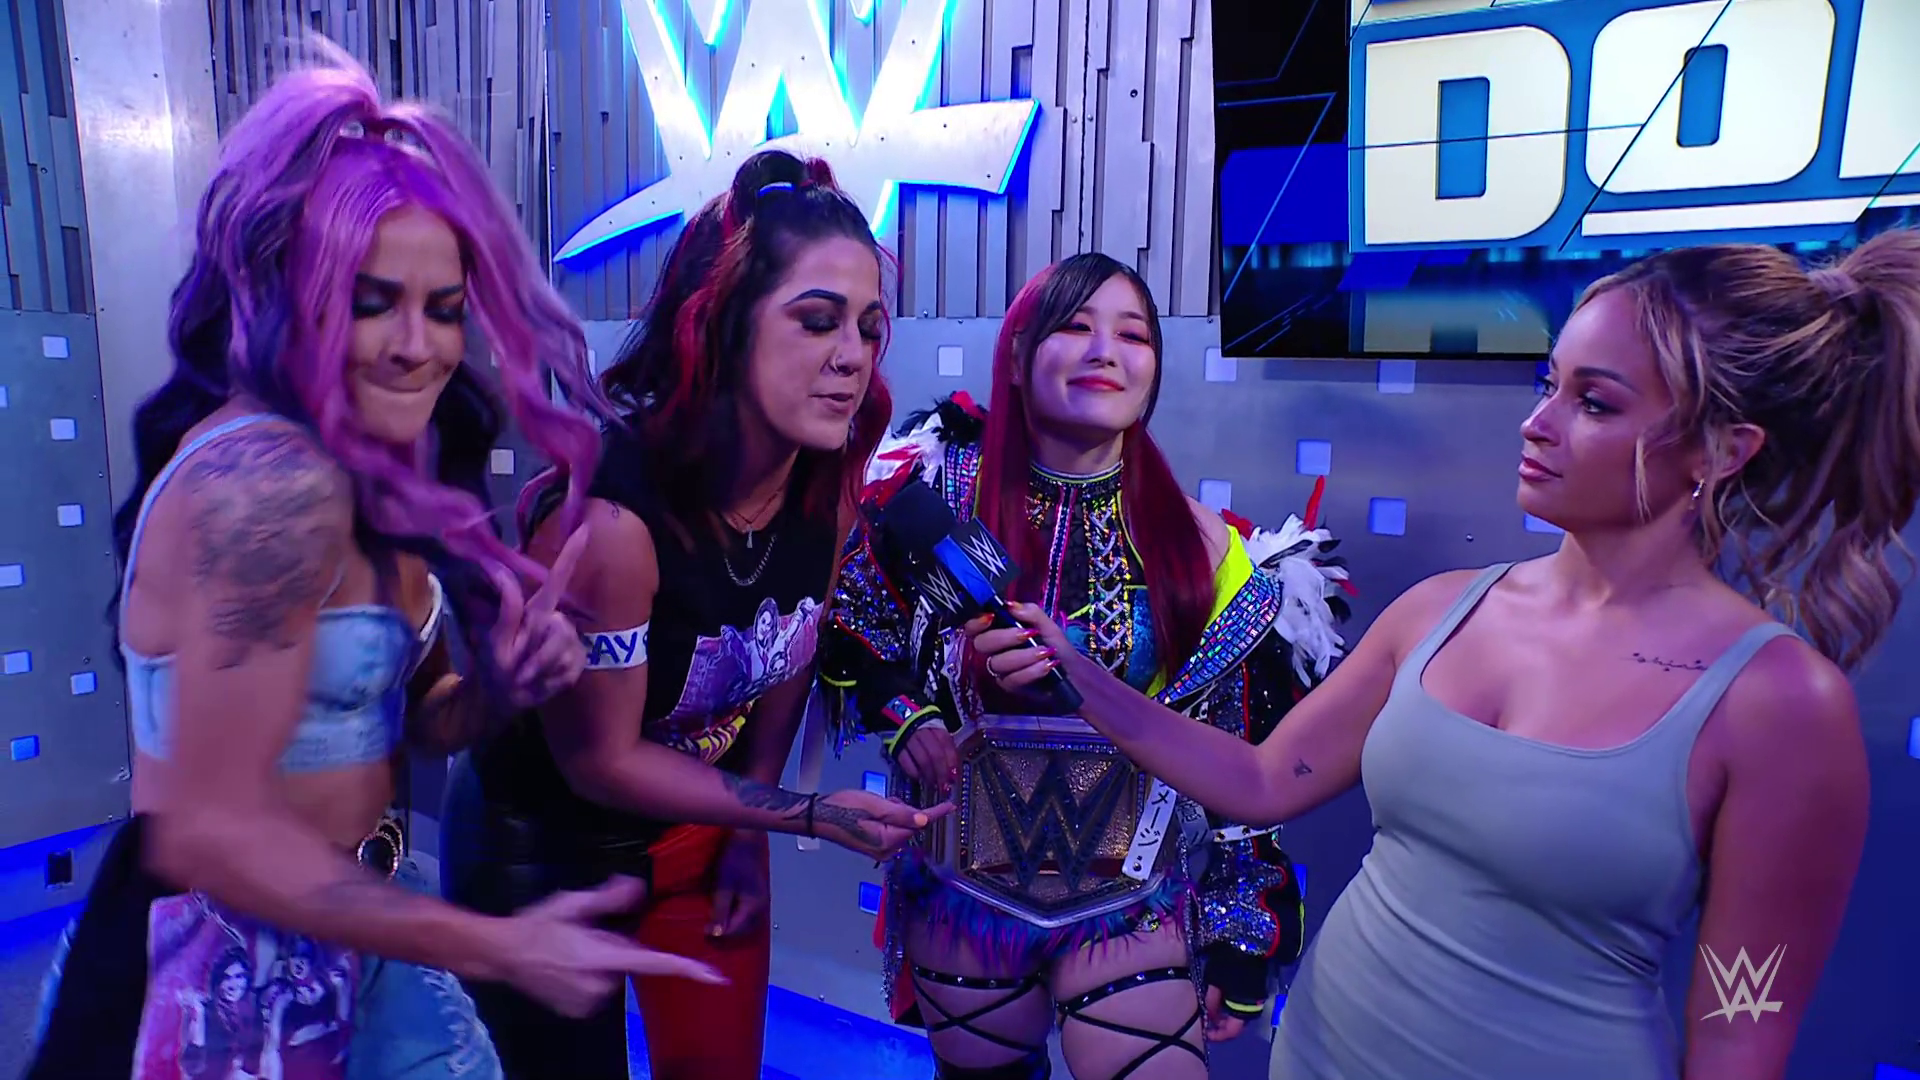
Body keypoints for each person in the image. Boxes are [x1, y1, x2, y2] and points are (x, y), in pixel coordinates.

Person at [971, 232, 1920, 1080]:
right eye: (1549, 383)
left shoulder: (1779, 703)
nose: (1537, 423)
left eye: (1594, 402)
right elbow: (1261, 779)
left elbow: (1740, 1036)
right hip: (1321, 1053)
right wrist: (1081, 681)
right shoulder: (1443, 609)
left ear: (1721, 450)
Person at [23, 41, 722, 1080]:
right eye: (371, 300)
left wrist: (498, 689)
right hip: (220, 974)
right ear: (291, 293)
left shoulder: (378, 474)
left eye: (443, 309)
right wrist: (496, 945)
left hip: (359, 932)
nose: (417, 346)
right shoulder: (266, 482)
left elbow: (414, 717)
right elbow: (208, 833)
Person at [442, 149, 950, 1080]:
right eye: (817, 321)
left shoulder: (830, 490)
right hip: (542, 847)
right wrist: (800, 814)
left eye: (869, 328)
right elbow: (599, 762)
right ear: (719, 325)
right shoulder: (611, 526)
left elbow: (788, 657)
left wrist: (748, 835)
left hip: (697, 830)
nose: (852, 356)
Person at [821, 252, 1351, 1079]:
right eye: (1074, 326)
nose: (1105, 350)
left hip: (1132, 905)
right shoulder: (933, 493)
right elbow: (854, 632)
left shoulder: (1214, 554)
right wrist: (908, 717)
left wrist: (1243, 931)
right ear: (1018, 354)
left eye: (1133, 335)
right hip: (965, 896)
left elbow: (1245, 764)